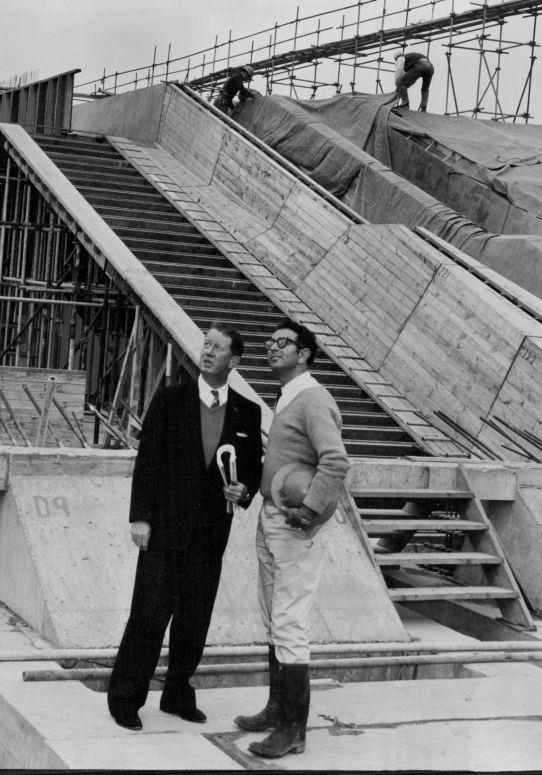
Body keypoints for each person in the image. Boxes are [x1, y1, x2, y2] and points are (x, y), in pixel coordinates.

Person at [107, 323, 263, 731]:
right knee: (148, 615)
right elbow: (148, 461)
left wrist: (243, 490)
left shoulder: (249, 410)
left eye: (218, 347)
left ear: (235, 360)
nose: (208, 351)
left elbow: (252, 471)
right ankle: (125, 698)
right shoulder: (171, 398)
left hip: (211, 535)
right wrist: (139, 516)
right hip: (164, 530)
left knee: (195, 619)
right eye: (206, 344)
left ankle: (178, 694)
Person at [236, 318, 350, 759]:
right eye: (268, 342)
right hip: (271, 519)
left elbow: (335, 461)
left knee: (288, 622)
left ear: (304, 353)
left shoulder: (313, 399)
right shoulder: (289, 397)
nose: (271, 348)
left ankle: (292, 731)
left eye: (282, 343)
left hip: (294, 527)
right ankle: (275, 707)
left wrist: (309, 509)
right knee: (272, 616)